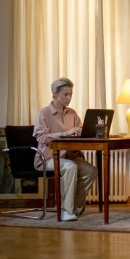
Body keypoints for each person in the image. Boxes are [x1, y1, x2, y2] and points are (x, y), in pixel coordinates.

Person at [33, 78, 98, 221]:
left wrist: (83, 132)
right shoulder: (44, 113)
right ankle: (66, 210)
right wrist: (65, 134)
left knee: (91, 170)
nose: (69, 98)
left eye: (71, 94)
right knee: (70, 167)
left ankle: (72, 206)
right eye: (65, 95)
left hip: (70, 157)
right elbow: (41, 137)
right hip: (48, 158)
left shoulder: (72, 113)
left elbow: (81, 130)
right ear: (54, 95)